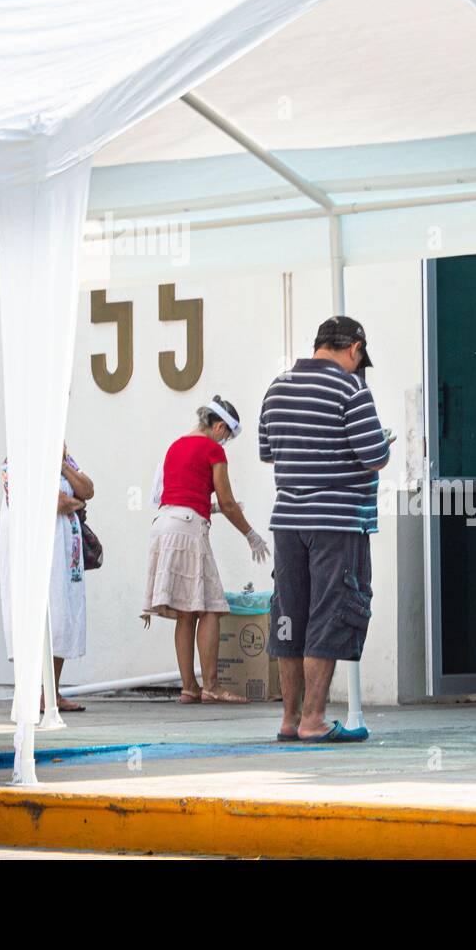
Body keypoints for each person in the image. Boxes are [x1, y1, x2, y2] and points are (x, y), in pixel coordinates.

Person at [259, 317, 392, 744]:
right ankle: (314, 721)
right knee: (330, 613)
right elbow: (375, 456)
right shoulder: (351, 390)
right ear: (354, 348)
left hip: (287, 521)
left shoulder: (276, 387)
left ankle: (289, 719)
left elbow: (267, 452)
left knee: (289, 615)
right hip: (336, 521)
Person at [143, 396, 270, 704]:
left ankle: (189, 688)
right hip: (188, 529)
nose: (224, 443)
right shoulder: (212, 450)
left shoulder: (175, 446)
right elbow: (228, 502)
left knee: (187, 612)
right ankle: (211, 687)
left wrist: (208, 507)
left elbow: (172, 495)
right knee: (211, 607)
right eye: (225, 435)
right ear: (218, 425)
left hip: (163, 525)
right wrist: (250, 533)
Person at [0, 444, 93, 712]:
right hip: (34, 549)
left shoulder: (64, 458)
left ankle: (52, 691)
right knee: (36, 615)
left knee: (62, 617)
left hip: (64, 551)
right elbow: (57, 503)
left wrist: (62, 464)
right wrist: (76, 504)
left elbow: (88, 488)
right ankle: (33, 692)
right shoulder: (18, 458)